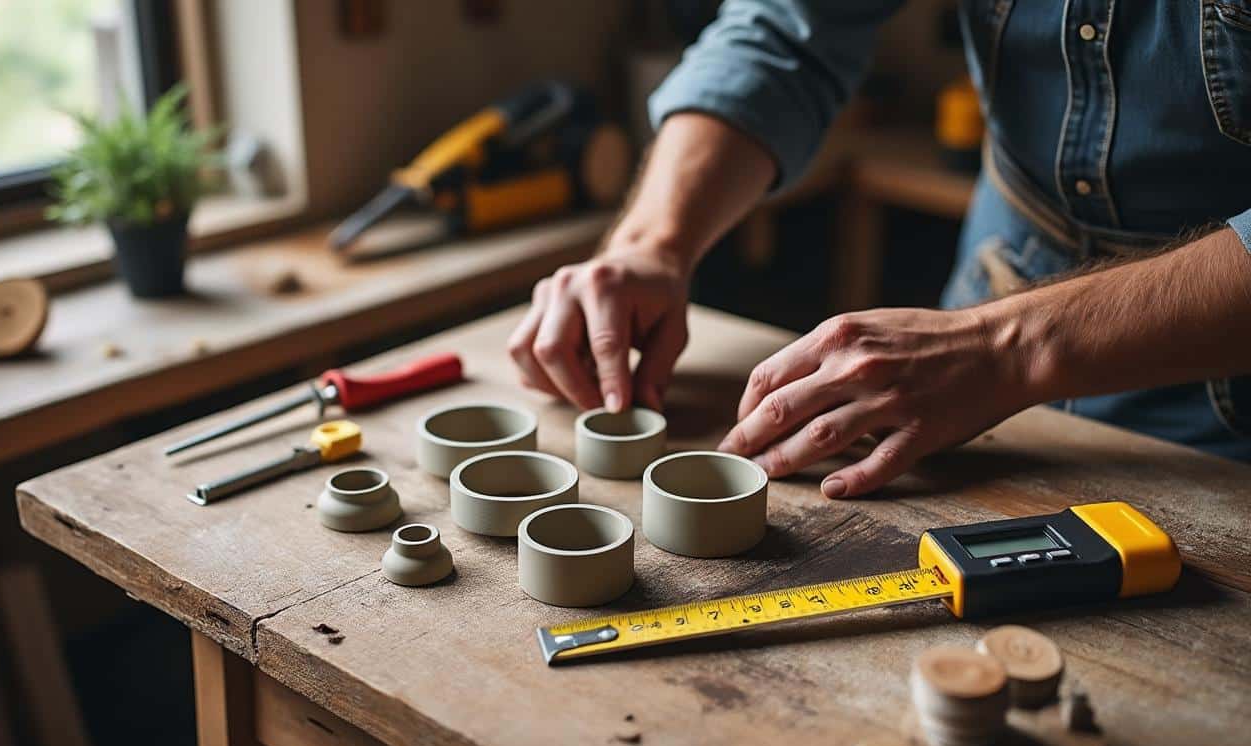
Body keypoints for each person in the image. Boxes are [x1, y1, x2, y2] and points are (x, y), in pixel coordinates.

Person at [508, 1, 1251, 498]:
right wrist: (651, 242)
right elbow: (789, 27)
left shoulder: (999, 346)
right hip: (991, 313)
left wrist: (1008, 346)